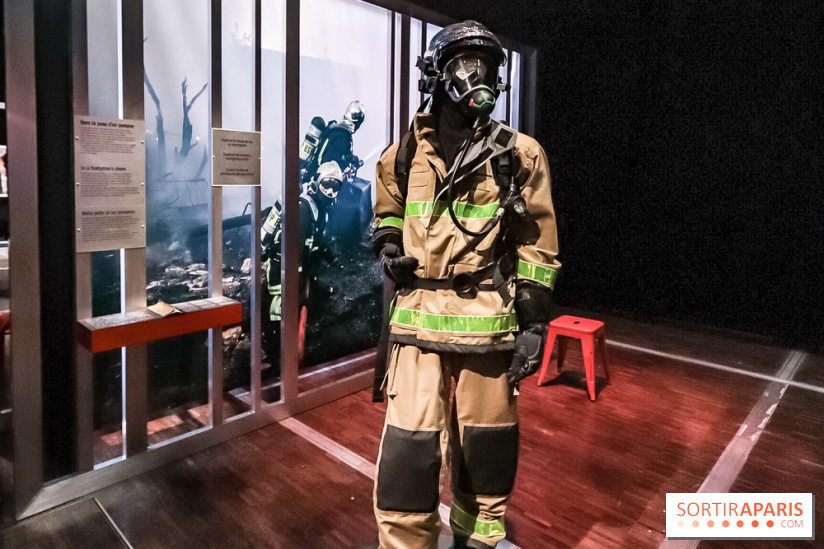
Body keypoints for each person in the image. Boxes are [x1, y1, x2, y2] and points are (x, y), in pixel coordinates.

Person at [371, 20, 560, 549]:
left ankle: (476, 540)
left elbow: (538, 245)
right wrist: (389, 248)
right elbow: (386, 211)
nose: (478, 76)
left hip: (488, 322)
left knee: (487, 446)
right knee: (409, 452)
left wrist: (534, 322)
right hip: (416, 322)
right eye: (464, 63)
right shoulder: (404, 154)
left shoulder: (519, 155)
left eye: (489, 67)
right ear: (435, 71)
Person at [261, 161, 344, 364]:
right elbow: (293, 249)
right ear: (316, 182)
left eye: (335, 186)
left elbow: (318, 239)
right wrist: (296, 281)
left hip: (298, 268)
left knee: (298, 304)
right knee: (278, 310)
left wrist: (332, 258)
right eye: (327, 184)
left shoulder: (321, 207)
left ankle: (286, 351)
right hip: (282, 267)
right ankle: (274, 354)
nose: (331, 190)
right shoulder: (304, 209)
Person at [299, 100, 366, 185]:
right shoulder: (344, 136)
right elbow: (332, 163)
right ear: (358, 122)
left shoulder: (333, 128)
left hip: (310, 175)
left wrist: (352, 158)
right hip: (319, 183)